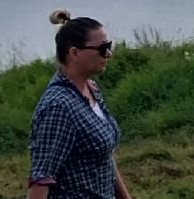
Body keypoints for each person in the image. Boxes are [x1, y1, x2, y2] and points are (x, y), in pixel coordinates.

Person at [29, 10, 130, 199]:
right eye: (102, 48)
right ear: (74, 52)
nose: (108, 53)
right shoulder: (58, 107)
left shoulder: (91, 89)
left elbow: (104, 156)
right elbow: (41, 178)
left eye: (109, 45)